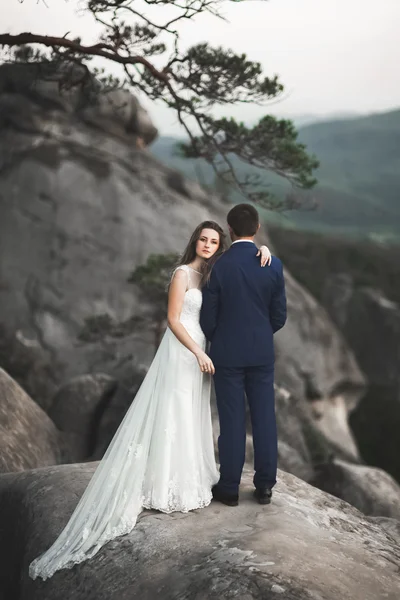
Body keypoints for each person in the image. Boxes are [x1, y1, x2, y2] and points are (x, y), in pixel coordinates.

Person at [29, 220, 271, 580]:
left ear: (220, 246)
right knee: (173, 411)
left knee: (192, 413)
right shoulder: (182, 274)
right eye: (203, 239)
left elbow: (243, 268)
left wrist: (262, 251)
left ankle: (189, 474)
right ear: (195, 242)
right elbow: (173, 319)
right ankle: (163, 480)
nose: (207, 245)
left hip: (204, 351)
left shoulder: (214, 273)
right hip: (183, 351)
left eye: (213, 241)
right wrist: (197, 352)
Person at [200, 205, 286, 507]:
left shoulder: (219, 266)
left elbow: (207, 318)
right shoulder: (272, 265)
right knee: (264, 419)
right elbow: (279, 315)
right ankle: (264, 487)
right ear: (257, 227)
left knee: (232, 421)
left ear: (229, 229)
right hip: (261, 352)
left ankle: (229, 488)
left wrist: (221, 338)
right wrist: (260, 333)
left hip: (227, 354)